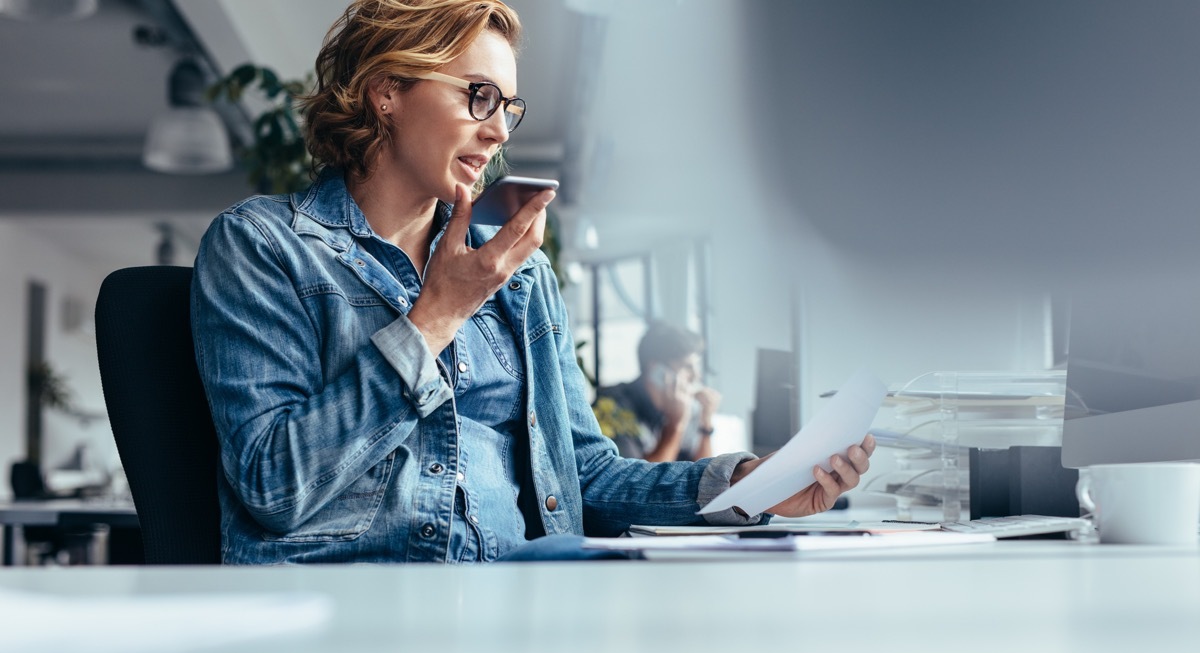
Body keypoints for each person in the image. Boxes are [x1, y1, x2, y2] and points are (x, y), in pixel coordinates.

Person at [191, 0, 875, 564]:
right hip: (348, 612)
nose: (496, 133)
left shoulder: (518, 274)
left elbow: (589, 477)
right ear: (387, 91)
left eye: (507, 109)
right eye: (477, 96)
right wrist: (434, 319)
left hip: (520, 603)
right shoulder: (263, 246)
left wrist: (750, 488)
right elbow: (273, 484)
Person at [593, 321, 720, 462]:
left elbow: (706, 475)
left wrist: (706, 423)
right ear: (656, 371)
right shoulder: (612, 405)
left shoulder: (687, 406)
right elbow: (637, 481)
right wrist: (675, 425)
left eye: (696, 367)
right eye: (686, 367)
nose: (696, 377)